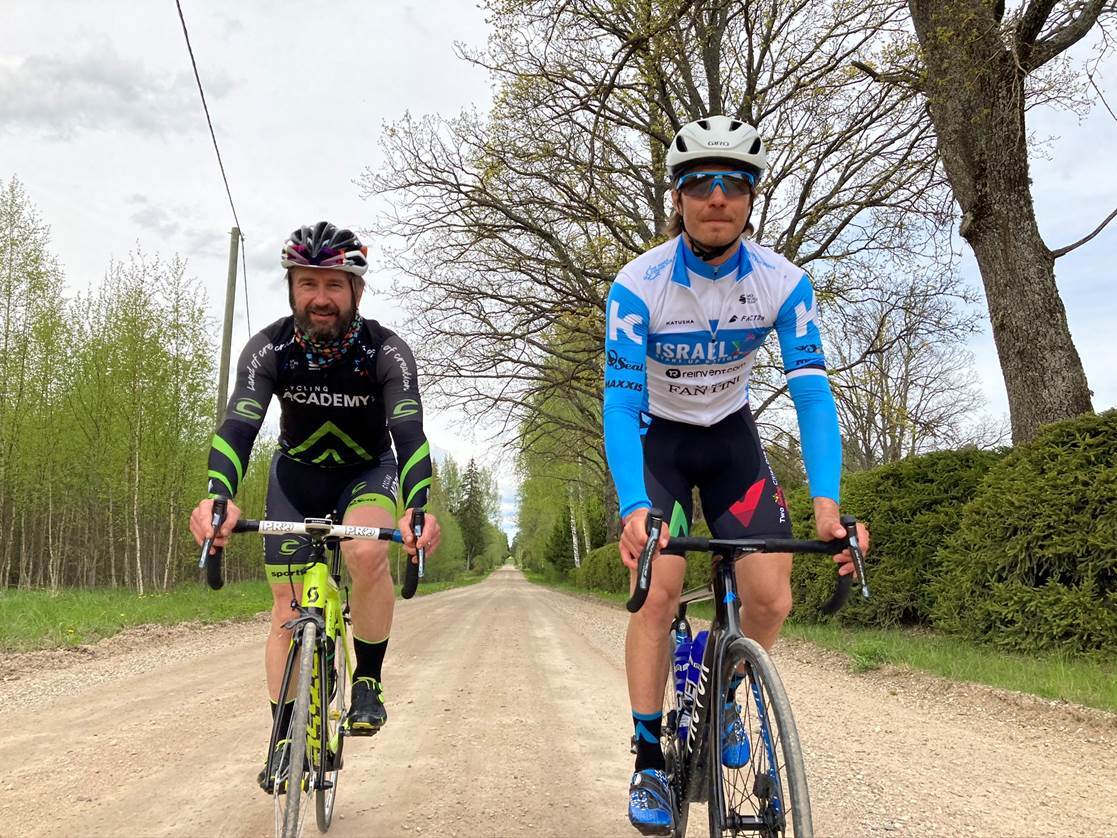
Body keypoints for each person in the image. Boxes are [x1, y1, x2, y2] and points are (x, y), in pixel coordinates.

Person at [602, 116, 869, 834]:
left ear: (751, 197)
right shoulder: (638, 285)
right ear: (678, 198)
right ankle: (648, 760)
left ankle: (725, 694)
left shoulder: (784, 282)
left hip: (730, 442)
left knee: (771, 598)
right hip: (658, 441)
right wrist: (633, 506)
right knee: (657, 592)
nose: (716, 197)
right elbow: (620, 403)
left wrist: (827, 505)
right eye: (699, 183)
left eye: (733, 184)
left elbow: (812, 394)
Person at [189, 221, 440, 790]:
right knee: (286, 606)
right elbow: (239, 425)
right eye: (308, 283)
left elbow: (409, 432)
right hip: (296, 476)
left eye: (333, 285)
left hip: (366, 473)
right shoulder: (270, 347)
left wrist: (416, 506)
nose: (320, 298)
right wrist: (218, 496)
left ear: (357, 290)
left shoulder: (386, 351)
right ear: (291, 288)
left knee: (364, 552)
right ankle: (284, 736)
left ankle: (367, 681)